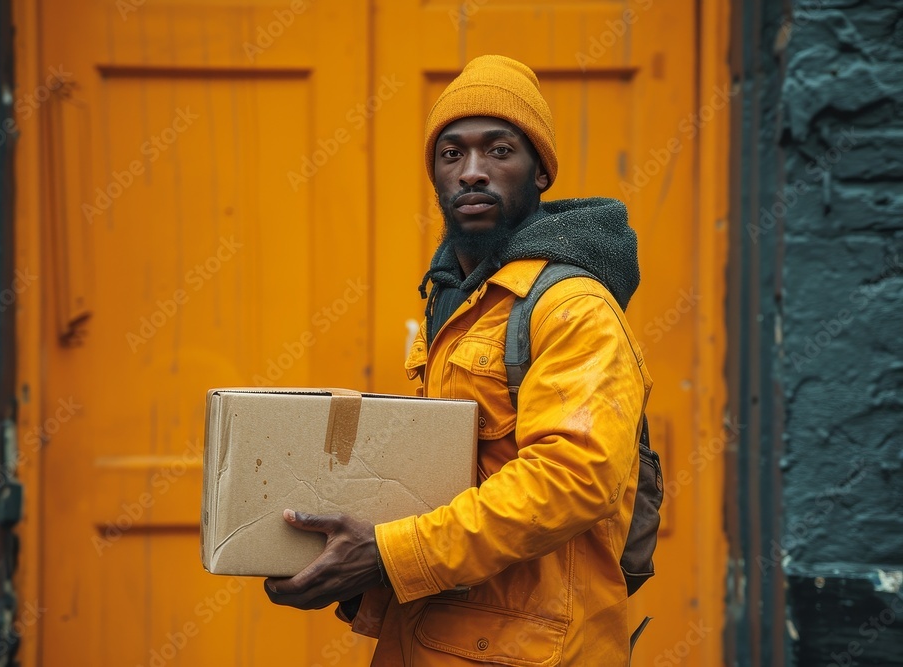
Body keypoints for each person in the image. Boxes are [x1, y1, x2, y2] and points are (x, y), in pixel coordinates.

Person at [265, 54, 652, 666]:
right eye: (452, 154)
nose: (473, 172)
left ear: (540, 171)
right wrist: (354, 576)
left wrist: (390, 553)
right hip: (443, 637)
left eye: (499, 150)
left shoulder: (571, 306)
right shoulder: (456, 300)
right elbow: (445, 486)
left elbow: (574, 478)